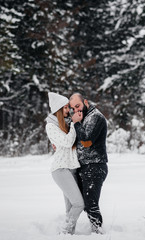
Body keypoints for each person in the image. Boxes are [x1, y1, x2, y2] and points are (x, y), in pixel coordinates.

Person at [45, 92, 84, 235]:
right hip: (61, 170)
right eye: (66, 108)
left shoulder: (65, 125)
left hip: (72, 169)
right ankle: (65, 232)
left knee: (70, 208)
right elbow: (68, 142)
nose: (69, 110)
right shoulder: (51, 126)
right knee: (79, 204)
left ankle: (68, 236)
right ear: (59, 109)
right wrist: (74, 123)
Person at [69, 93, 108, 234]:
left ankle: (98, 232)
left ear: (85, 102)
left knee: (91, 204)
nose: (76, 110)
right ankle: (92, 231)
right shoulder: (83, 117)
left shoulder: (95, 117)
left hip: (95, 165)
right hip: (84, 166)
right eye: (73, 108)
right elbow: (78, 140)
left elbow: (86, 141)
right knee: (83, 203)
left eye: (78, 106)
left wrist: (76, 123)